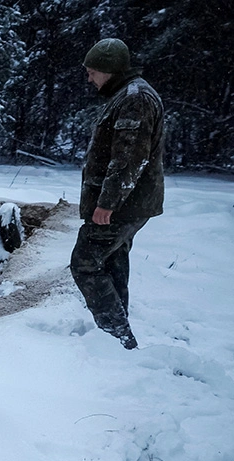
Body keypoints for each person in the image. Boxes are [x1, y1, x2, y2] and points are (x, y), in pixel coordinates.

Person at [73, 38, 164, 350]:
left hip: (122, 206)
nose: (89, 78)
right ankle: (116, 341)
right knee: (111, 262)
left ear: (109, 70)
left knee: (85, 262)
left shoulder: (134, 99)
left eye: (92, 72)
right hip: (129, 205)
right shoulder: (127, 95)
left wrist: (106, 204)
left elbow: (128, 158)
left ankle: (116, 336)